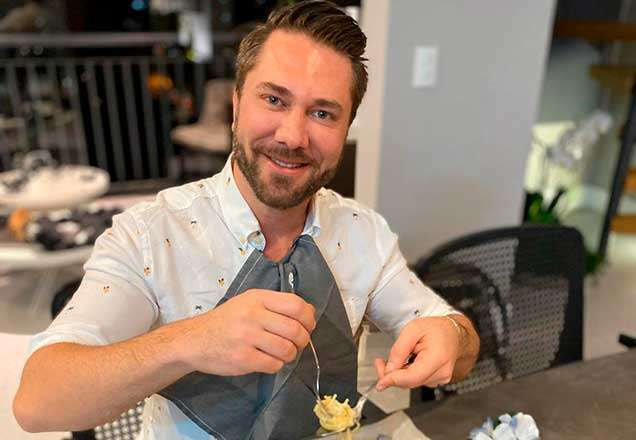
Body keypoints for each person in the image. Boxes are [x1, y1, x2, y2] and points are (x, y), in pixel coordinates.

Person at [13, 2, 479, 439]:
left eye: (322, 113)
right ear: (237, 105)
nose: (293, 136)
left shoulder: (362, 232)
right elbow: (38, 400)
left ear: (345, 128)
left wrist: (450, 336)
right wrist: (191, 340)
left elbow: (454, 336)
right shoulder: (150, 233)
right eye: (274, 100)